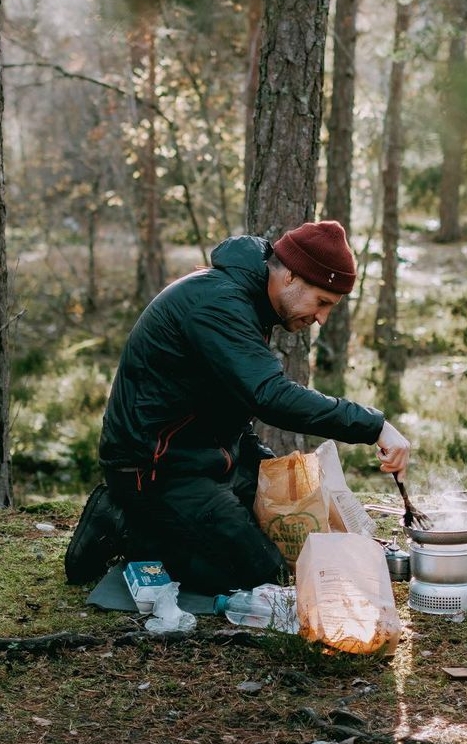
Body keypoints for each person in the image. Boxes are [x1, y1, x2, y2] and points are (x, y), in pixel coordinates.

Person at [64, 220, 411, 594]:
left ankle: (176, 526)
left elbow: (227, 397)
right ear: (291, 277)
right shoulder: (218, 303)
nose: (321, 319)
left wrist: (258, 462)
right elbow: (270, 396)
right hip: (154, 471)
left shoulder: (253, 302)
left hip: (206, 455)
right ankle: (124, 525)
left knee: (291, 525)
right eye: (322, 302)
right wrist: (373, 426)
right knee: (261, 574)